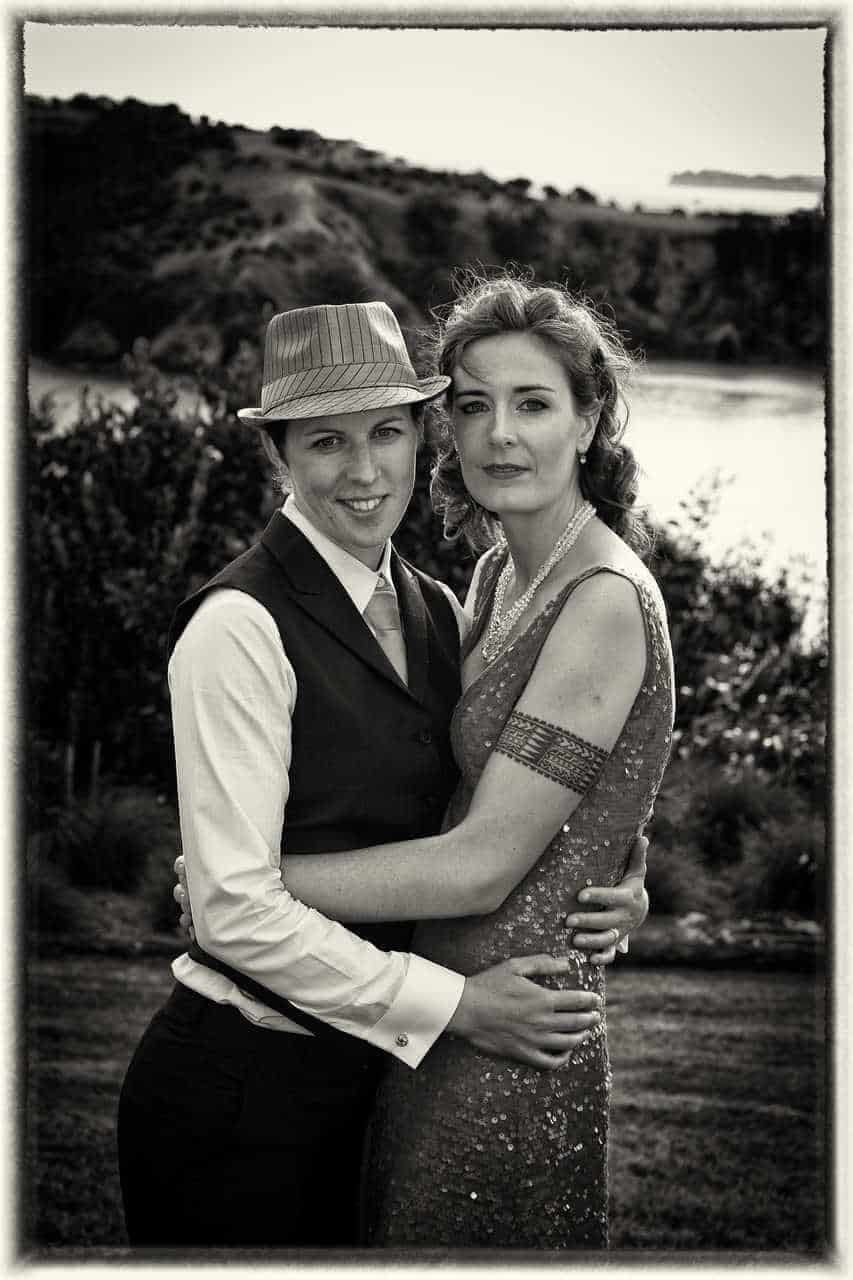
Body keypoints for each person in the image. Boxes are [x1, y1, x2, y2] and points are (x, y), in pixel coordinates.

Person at [117, 299, 650, 1250]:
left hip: (374, 1087)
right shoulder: (238, 626)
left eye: (386, 433)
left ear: (417, 436)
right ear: (278, 454)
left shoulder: (439, 606)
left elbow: (512, 783)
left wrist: (615, 865)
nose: (364, 471)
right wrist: (457, 1005)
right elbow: (236, 915)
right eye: (326, 441)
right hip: (243, 1094)